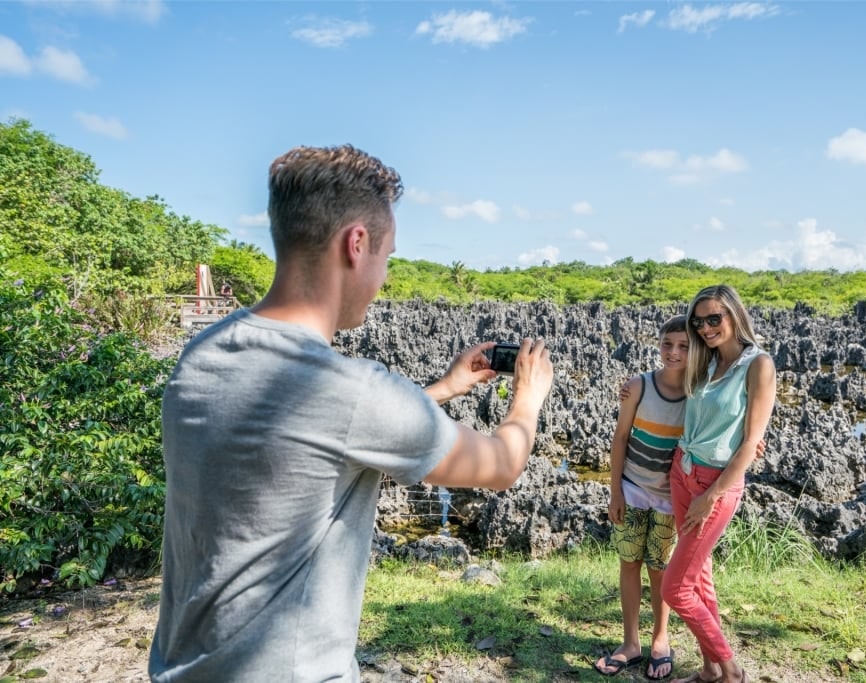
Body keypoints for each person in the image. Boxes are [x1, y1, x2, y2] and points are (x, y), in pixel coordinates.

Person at [148, 144, 554, 682]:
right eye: (387, 257)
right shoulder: (353, 390)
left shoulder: (204, 352)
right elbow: (502, 465)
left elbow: (313, 437)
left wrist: (443, 389)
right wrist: (528, 396)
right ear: (356, 244)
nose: (383, 276)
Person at [663, 285, 776, 683]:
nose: (707, 328)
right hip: (683, 470)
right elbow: (669, 370)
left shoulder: (758, 365)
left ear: (734, 315)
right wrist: (633, 388)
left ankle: (730, 670)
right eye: (700, 321)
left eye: (715, 319)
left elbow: (750, 443)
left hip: (717, 483)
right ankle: (711, 670)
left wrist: (710, 496)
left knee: (674, 589)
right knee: (700, 579)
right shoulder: (706, 360)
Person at [594, 315, 689, 680]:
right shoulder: (638, 387)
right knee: (629, 562)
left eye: (683, 346)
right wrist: (615, 490)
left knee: (660, 568)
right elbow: (620, 438)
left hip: (669, 498)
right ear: (659, 345)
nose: (674, 352)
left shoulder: (697, 395)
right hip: (632, 490)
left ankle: (660, 639)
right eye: (668, 344)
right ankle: (631, 642)